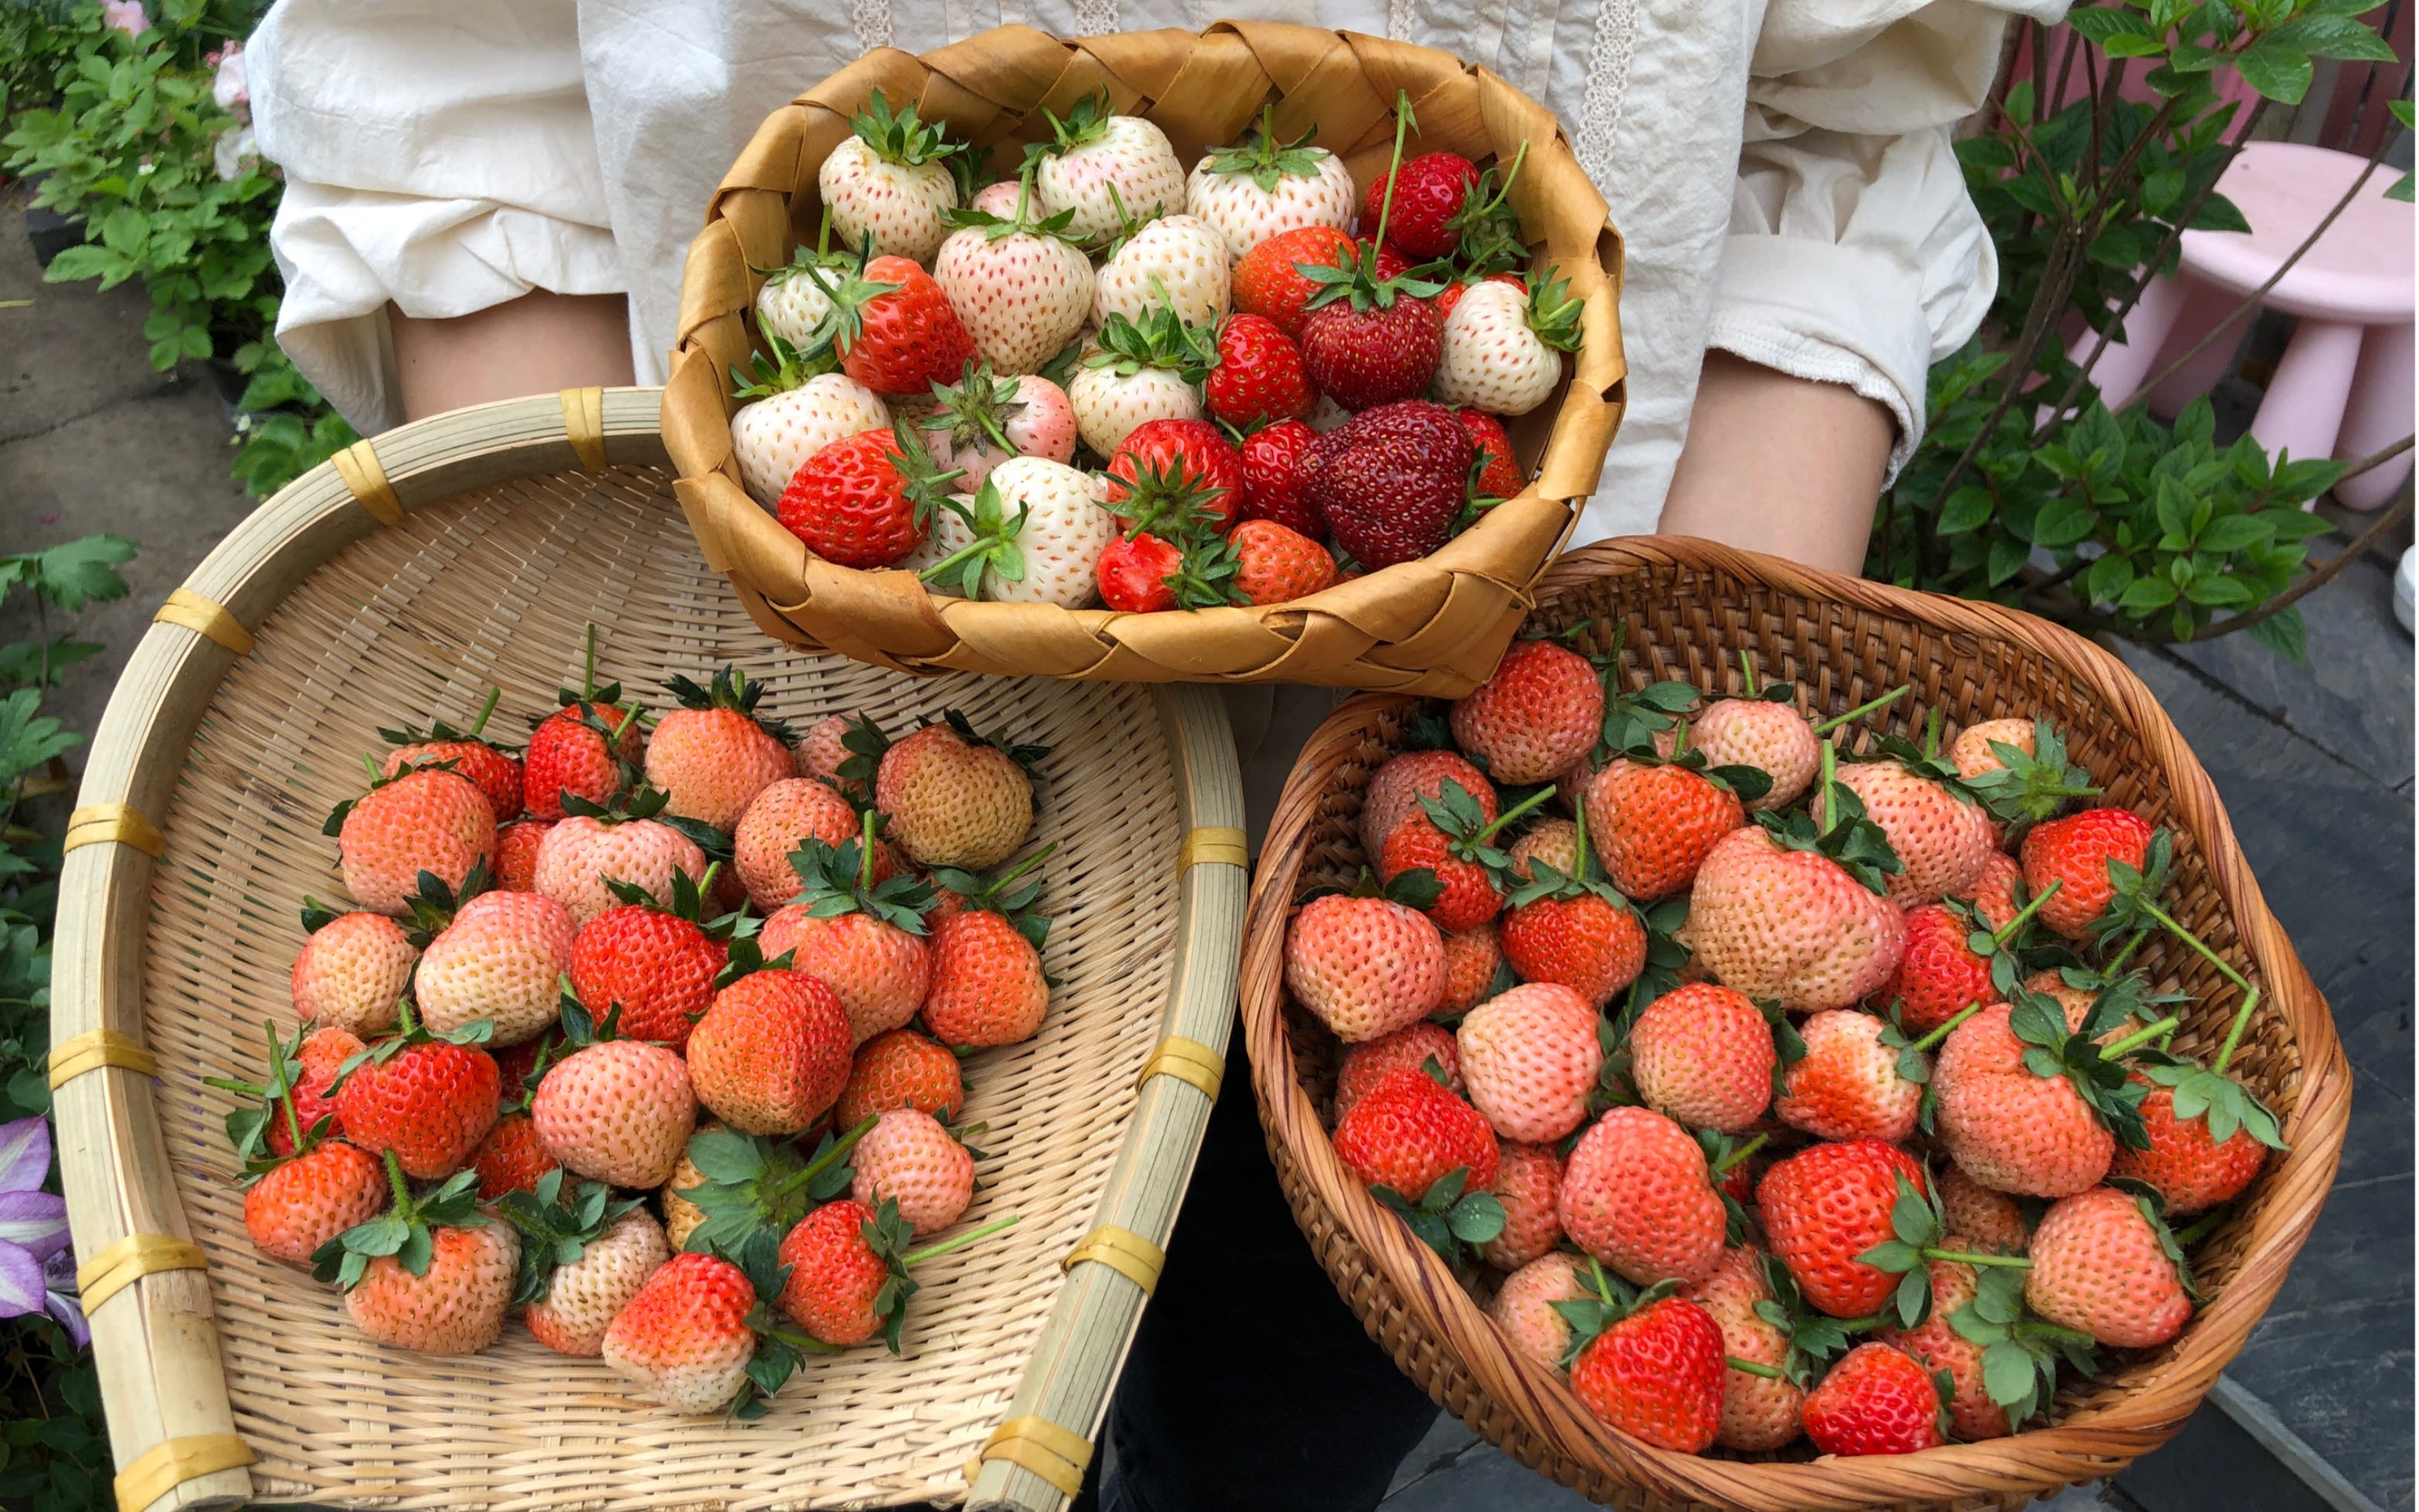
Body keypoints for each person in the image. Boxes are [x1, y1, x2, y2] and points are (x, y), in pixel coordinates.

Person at [246, 4, 2060, 1507]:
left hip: (1458, 870)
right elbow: (455, 96)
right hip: (799, 765)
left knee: (1260, 1451)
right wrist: (619, 713)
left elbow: (1827, 142)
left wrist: (1671, 761)